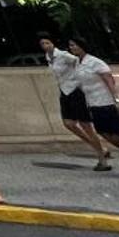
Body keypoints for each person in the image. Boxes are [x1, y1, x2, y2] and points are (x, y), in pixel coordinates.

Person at [66, 37, 119, 177]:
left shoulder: (95, 62)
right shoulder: (78, 63)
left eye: (73, 45)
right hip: (93, 102)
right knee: (103, 132)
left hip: (107, 101)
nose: (71, 48)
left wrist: (116, 99)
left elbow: (109, 80)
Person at [40, 35, 105, 164]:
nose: (45, 46)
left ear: (53, 43)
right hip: (64, 91)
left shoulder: (63, 55)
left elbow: (77, 62)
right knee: (68, 123)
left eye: (47, 42)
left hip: (75, 90)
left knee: (85, 124)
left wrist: (79, 78)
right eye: (42, 44)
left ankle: (101, 156)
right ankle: (96, 146)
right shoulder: (49, 57)